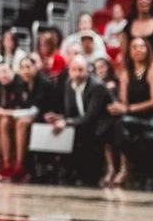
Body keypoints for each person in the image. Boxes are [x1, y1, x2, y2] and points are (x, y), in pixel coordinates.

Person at [44, 56, 114, 184]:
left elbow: (91, 116)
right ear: (69, 71)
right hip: (82, 121)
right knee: (54, 129)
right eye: (74, 70)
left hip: (101, 124)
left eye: (81, 70)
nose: (77, 74)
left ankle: (87, 174)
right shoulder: (68, 83)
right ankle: (60, 171)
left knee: (80, 132)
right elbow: (71, 112)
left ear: (87, 70)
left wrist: (66, 122)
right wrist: (60, 118)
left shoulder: (96, 86)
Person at [108, 36, 153, 187]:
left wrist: (128, 109)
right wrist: (118, 106)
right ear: (129, 52)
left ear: (148, 49)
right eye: (134, 47)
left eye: (142, 46)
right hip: (131, 116)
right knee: (115, 124)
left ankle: (148, 171)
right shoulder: (126, 73)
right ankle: (125, 168)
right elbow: (124, 101)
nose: (138, 50)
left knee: (145, 132)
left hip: (152, 115)